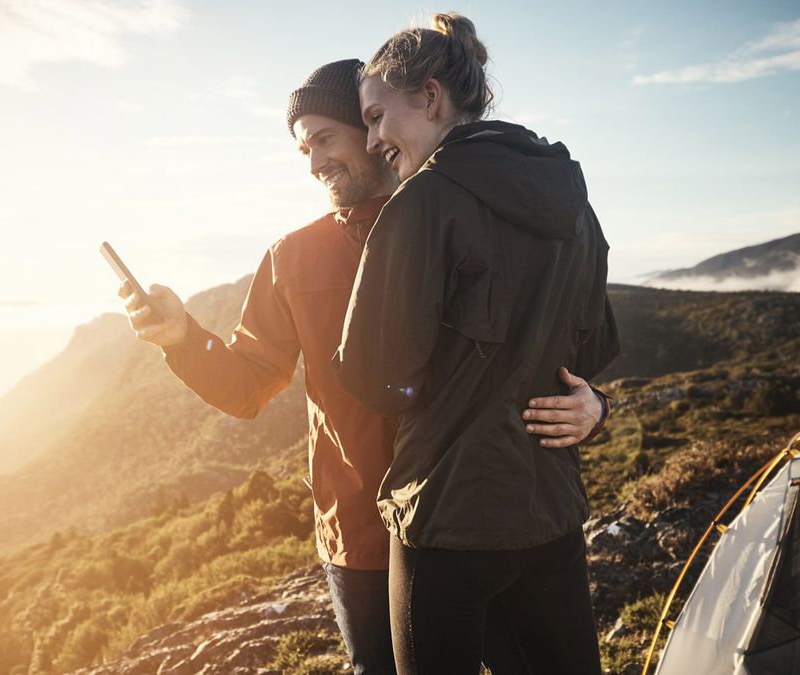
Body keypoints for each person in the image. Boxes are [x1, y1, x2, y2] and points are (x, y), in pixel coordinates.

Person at [120, 59, 611, 675]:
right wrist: (184, 339)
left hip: (490, 516)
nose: (314, 163)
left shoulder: (471, 216)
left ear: (373, 130)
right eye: (303, 148)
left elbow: (554, 343)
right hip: (363, 538)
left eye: (325, 139)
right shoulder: (292, 258)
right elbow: (248, 385)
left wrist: (594, 403)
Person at [332, 13, 618, 675]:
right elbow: (595, 344)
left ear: (430, 97)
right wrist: (594, 406)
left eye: (377, 117)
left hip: (446, 521)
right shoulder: (572, 197)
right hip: (549, 515)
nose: (373, 140)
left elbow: (377, 378)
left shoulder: (422, 202)